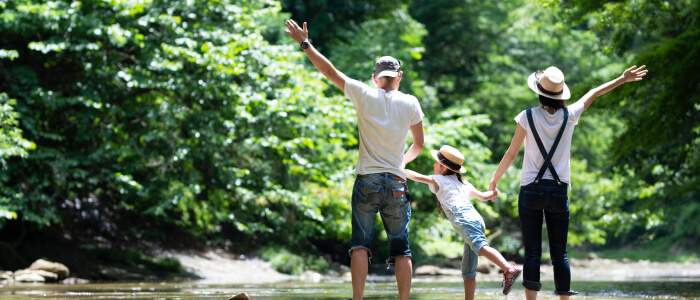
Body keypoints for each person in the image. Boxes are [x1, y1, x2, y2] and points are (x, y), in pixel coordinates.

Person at [285, 20, 425, 300]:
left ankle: (357, 299)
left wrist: (305, 44)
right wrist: (401, 164)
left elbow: (328, 70)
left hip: (367, 181)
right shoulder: (410, 102)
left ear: (376, 77)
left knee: (360, 245)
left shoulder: (363, 93)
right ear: (399, 77)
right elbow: (419, 144)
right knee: (402, 248)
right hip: (396, 182)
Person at [489, 65, 648, 299]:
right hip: (558, 191)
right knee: (559, 254)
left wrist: (494, 181)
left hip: (530, 190)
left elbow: (512, 154)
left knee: (532, 252)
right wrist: (621, 79)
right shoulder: (570, 115)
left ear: (539, 92)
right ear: (561, 93)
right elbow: (594, 92)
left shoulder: (527, 116)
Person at [404, 145, 521, 299]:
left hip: (464, 218)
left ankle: (508, 268)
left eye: (436, 163)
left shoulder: (438, 179)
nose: (433, 165)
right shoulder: (464, 183)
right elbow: (484, 196)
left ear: (443, 168)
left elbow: (416, 176)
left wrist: (399, 168)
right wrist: (493, 193)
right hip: (476, 218)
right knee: (468, 268)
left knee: (480, 246)